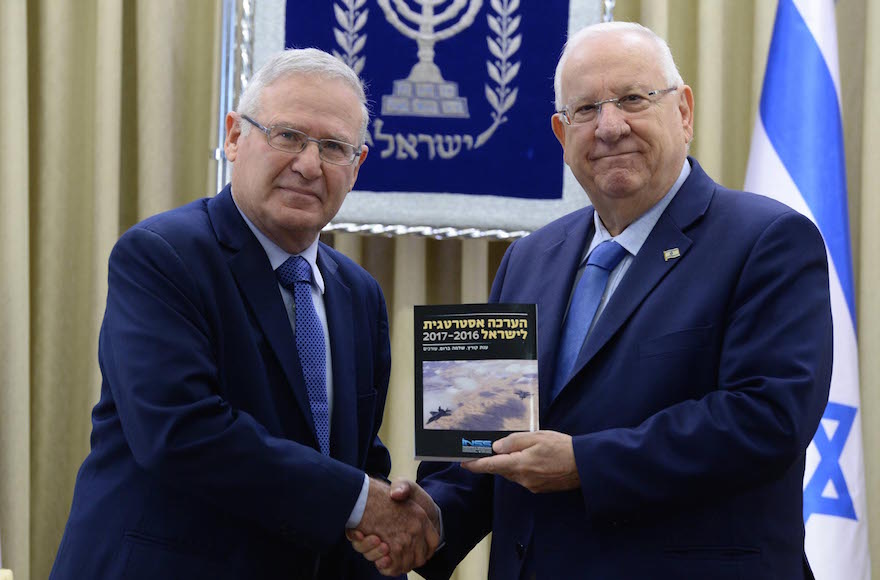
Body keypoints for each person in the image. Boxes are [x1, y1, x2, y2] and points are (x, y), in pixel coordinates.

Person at [352, 21, 832, 579]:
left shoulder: (768, 239)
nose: (609, 127)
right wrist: (431, 517)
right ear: (561, 132)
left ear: (684, 111)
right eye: (585, 110)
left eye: (632, 99)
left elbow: (768, 418)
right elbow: (485, 429)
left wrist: (585, 464)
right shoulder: (529, 257)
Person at [49, 48, 439, 579]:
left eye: (332, 147)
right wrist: (360, 501)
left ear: (357, 167)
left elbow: (354, 460)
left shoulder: (359, 294)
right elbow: (181, 432)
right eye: (288, 136)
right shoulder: (164, 255)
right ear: (234, 136)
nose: (308, 164)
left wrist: (389, 518)